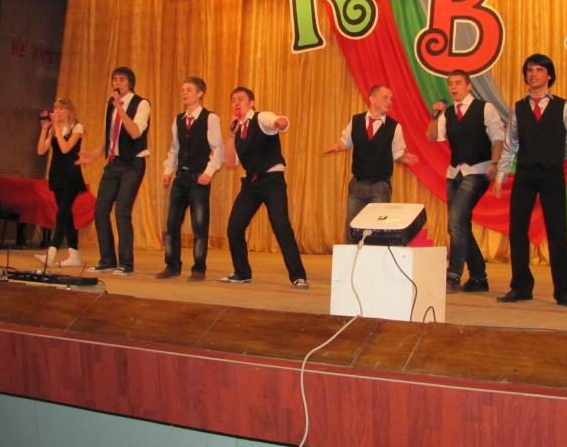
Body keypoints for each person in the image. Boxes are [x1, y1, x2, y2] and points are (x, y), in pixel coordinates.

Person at [493, 53, 567, 307]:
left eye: (539, 70)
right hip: (525, 174)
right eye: (530, 70)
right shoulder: (518, 108)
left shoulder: (564, 107)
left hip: (552, 174)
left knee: (557, 231)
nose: (533, 74)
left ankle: (563, 290)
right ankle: (521, 287)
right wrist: (500, 175)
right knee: (517, 230)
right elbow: (510, 144)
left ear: (549, 75)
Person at [221, 86, 308, 289]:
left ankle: (298, 275)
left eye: (240, 99)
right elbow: (230, 162)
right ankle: (242, 272)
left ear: (251, 102)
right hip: (251, 183)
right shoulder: (237, 128)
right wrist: (231, 136)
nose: (236, 103)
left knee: (281, 226)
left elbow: (277, 121)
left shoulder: (261, 118)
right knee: (234, 227)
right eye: (233, 100)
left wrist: (280, 122)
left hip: (272, 181)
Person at [426, 70, 504, 293]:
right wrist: (435, 116)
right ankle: (479, 278)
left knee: (456, 221)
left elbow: (498, 138)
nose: (453, 87)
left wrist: (495, 164)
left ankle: (453, 276)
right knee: (459, 225)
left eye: (458, 83)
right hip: (454, 173)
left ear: (469, 86)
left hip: (479, 170)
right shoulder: (448, 113)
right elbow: (432, 137)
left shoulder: (484, 108)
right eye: (450, 84)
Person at [78, 66, 151, 275]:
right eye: (115, 79)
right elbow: (113, 134)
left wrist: (120, 108)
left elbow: (135, 132)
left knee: (121, 212)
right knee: (100, 210)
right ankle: (107, 260)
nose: (117, 83)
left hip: (133, 163)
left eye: (121, 79)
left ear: (130, 83)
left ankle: (126, 264)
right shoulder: (112, 105)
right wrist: (95, 153)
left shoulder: (141, 104)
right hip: (113, 162)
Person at [324, 84, 418, 242]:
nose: (389, 102)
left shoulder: (395, 127)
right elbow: (346, 142)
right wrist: (337, 147)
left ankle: (375, 257)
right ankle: (353, 257)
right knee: (353, 228)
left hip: (380, 186)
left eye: (391, 99)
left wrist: (402, 158)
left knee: (378, 230)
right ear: (372, 99)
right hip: (357, 185)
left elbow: (397, 153)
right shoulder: (356, 121)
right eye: (385, 98)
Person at [156, 77, 224, 281]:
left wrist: (208, 172)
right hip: (180, 178)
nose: (184, 93)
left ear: (200, 93)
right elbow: (174, 149)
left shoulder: (210, 118)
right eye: (183, 90)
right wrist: (168, 170)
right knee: (172, 225)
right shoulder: (179, 119)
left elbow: (218, 149)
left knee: (199, 225)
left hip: (198, 178)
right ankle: (172, 265)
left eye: (189, 90)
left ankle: (199, 268)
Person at [34, 98, 86, 267]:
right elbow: (41, 151)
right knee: (66, 214)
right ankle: (74, 254)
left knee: (62, 213)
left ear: (69, 111)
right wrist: (44, 129)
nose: (57, 112)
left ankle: (51, 252)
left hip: (71, 175)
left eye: (61, 109)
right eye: (55, 109)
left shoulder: (77, 127)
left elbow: (65, 149)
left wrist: (56, 127)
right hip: (57, 174)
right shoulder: (54, 129)